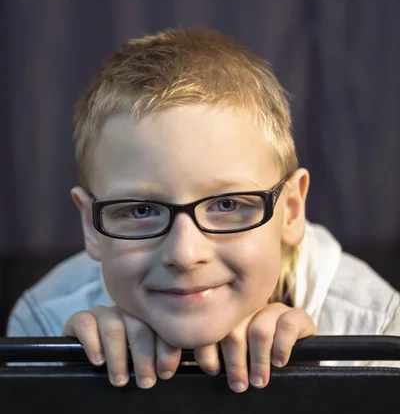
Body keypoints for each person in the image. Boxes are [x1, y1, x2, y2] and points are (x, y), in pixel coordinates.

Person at [7, 28, 400, 392]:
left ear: (291, 210)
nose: (185, 254)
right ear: (90, 226)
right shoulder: (40, 323)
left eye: (228, 205)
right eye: (141, 210)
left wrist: (311, 385)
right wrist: (71, 381)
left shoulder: (375, 326)